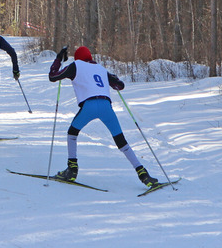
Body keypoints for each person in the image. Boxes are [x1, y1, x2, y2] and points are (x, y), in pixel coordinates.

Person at [47, 45, 158, 188]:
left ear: (78, 57)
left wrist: (58, 59)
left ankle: (72, 170)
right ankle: (143, 173)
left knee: (72, 133)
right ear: (90, 57)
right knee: (121, 140)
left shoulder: (76, 65)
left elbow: (53, 76)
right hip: (106, 106)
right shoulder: (100, 68)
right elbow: (120, 85)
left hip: (89, 106)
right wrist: (115, 81)